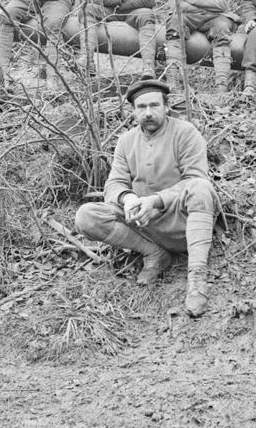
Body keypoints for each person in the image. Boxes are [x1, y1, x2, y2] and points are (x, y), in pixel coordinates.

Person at [74, 79, 218, 317]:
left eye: (154, 105)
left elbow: (195, 179)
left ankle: (197, 279)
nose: (148, 113)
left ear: (166, 107)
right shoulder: (126, 141)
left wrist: (155, 201)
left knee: (201, 188)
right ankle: (154, 253)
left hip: (182, 221)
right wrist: (129, 199)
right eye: (142, 107)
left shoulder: (185, 132)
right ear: (134, 111)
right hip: (144, 223)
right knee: (87, 216)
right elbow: (114, 184)